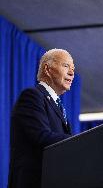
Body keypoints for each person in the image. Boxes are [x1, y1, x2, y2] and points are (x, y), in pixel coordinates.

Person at [8, 49, 75, 188]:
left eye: (73, 68)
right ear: (48, 69)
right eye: (66, 66)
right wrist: (82, 140)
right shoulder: (33, 96)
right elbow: (41, 137)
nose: (72, 73)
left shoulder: (59, 107)